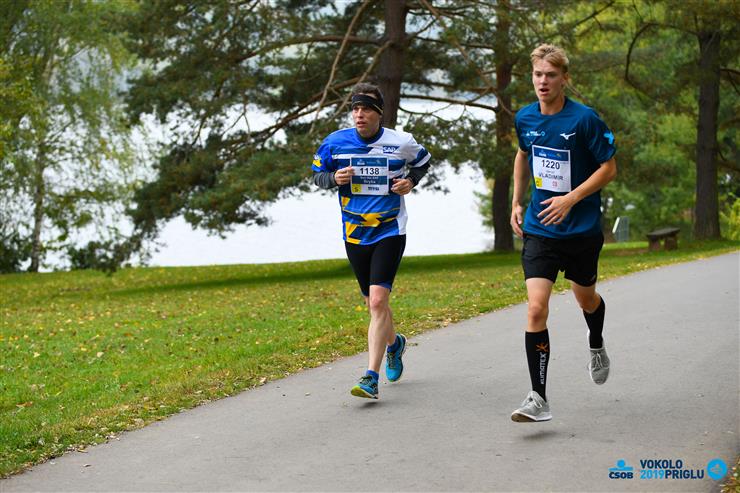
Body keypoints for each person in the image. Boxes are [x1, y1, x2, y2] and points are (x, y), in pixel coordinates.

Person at [509, 44, 617, 422]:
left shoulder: (585, 119)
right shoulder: (525, 117)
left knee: (585, 299)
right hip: (540, 227)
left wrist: (571, 199)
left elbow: (609, 168)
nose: (543, 81)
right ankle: (538, 398)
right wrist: (516, 202)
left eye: (551, 75)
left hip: (581, 230)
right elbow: (523, 154)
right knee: (536, 307)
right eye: (538, 74)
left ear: (564, 79)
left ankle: (596, 342)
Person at [311, 82, 431, 399]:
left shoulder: (401, 142)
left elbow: (423, 162)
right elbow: (317, 174)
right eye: (355, 109)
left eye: (365, 109)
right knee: (373, 303)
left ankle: (370, 378)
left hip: (390, 229)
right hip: (354, 233)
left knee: (378, 301)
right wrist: (332, 178)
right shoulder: (335, 143)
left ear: (379, 113)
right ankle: (395, 343)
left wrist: (410, 182)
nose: (359, 114)